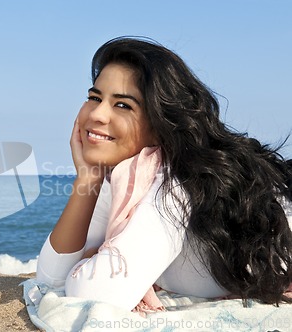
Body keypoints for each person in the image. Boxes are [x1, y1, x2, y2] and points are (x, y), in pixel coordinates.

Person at [36, 36, 292, 312]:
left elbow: (96, 295)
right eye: (94, 97)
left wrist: (98, 259)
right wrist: (88, 180)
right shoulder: (123, 178)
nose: (97, 114)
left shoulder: (172, 185)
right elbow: (51, 278)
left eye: (123, 105)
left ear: (159, 123)